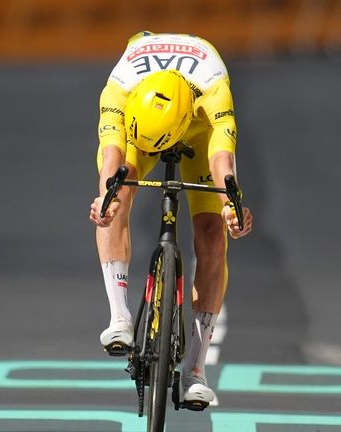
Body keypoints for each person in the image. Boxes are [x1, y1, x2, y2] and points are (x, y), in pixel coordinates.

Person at [88, 32, 253, 407]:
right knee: (116, 195)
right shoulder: (119, 86)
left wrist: (232, 205)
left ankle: (197, 368)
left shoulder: (214, 87)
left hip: (198, 129)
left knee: (212, 235)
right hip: (139, 128)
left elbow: (222, 160)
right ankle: (119, 318)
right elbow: (113, 149)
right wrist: (106, 199)